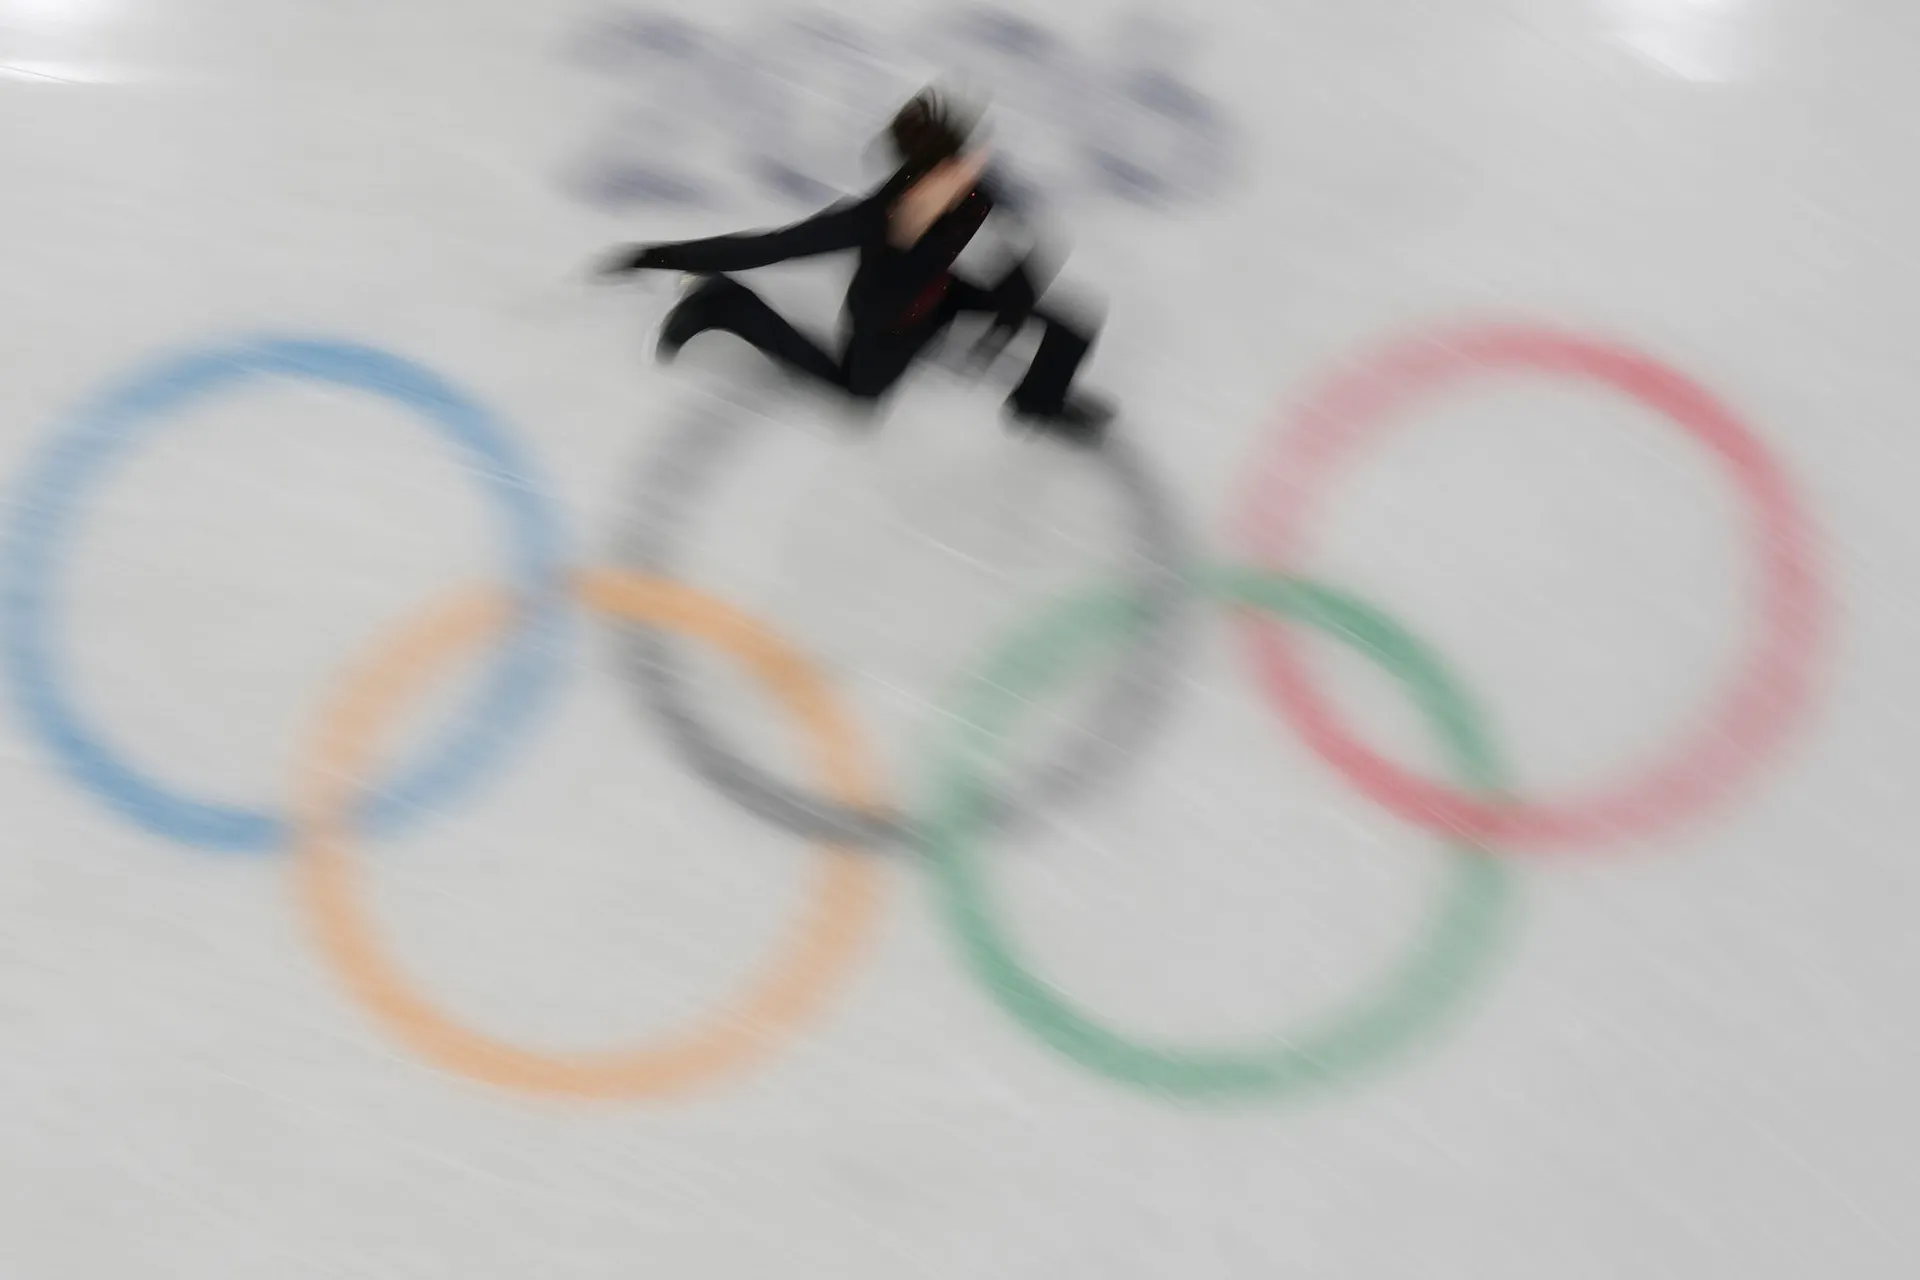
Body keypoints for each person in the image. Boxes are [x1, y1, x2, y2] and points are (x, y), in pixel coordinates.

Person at [595, 89, 1114, 441]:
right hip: (888, 320)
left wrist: (1011, 307)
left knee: (1073, 327)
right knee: (857, 399)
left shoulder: (973, 191)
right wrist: (655, 256)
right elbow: (767, 248)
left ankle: (1038, 404)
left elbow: (1029, 243)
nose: (970, 170)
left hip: (943, 296)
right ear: (925, 170)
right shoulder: (871, 219)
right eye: (955, 164)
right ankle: (723, 303)